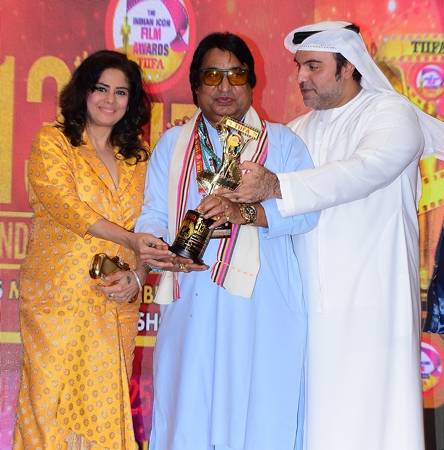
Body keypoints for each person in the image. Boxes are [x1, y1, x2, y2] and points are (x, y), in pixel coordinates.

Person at [225, 20, 444, 450]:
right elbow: (275, 212)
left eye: (314, 66)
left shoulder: (391, 116)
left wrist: (276, 185)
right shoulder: (297, 131)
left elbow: (361, 172)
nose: (301, 77)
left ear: (349, 67)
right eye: (299, 66)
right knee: (316, 423)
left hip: (374, 304)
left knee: (376, 421)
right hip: (309, 308)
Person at [134, 32, 319, 450]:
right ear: (195, 86)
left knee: (262, 409)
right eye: (212, 75)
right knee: (188, 407)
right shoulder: (172, 145)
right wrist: (155, 245)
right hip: (192, 296)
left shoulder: (282, 143)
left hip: (264, 299)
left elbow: (307, 213)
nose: (224, 87)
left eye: (236, 75)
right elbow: (154, 212)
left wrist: (244, 213)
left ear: (251, 84)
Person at [14, 50, 163, 450]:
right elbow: (65, 205)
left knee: (104, 414)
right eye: (101, 88)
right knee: (48, 412)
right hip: (59, 303)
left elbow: (151, 226)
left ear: (131, 101)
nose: (110, 100)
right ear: (83, 91)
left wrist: (138, 276)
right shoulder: (54, 141)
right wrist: (128, 239)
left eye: (121, 92)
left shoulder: (138, 159)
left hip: (115, 303)